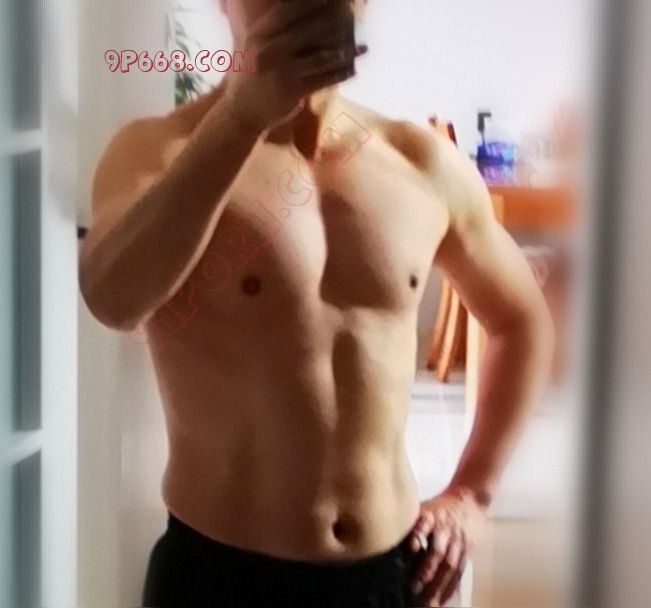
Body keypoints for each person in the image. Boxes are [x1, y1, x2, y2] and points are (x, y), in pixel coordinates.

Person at [79, 0, 552, 606]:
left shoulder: (420, 162)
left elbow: (520, 319)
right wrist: (241, 118)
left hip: (389, 575)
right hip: (222, 579)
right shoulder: (158, 150)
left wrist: (472, 493)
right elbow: (113, 299)